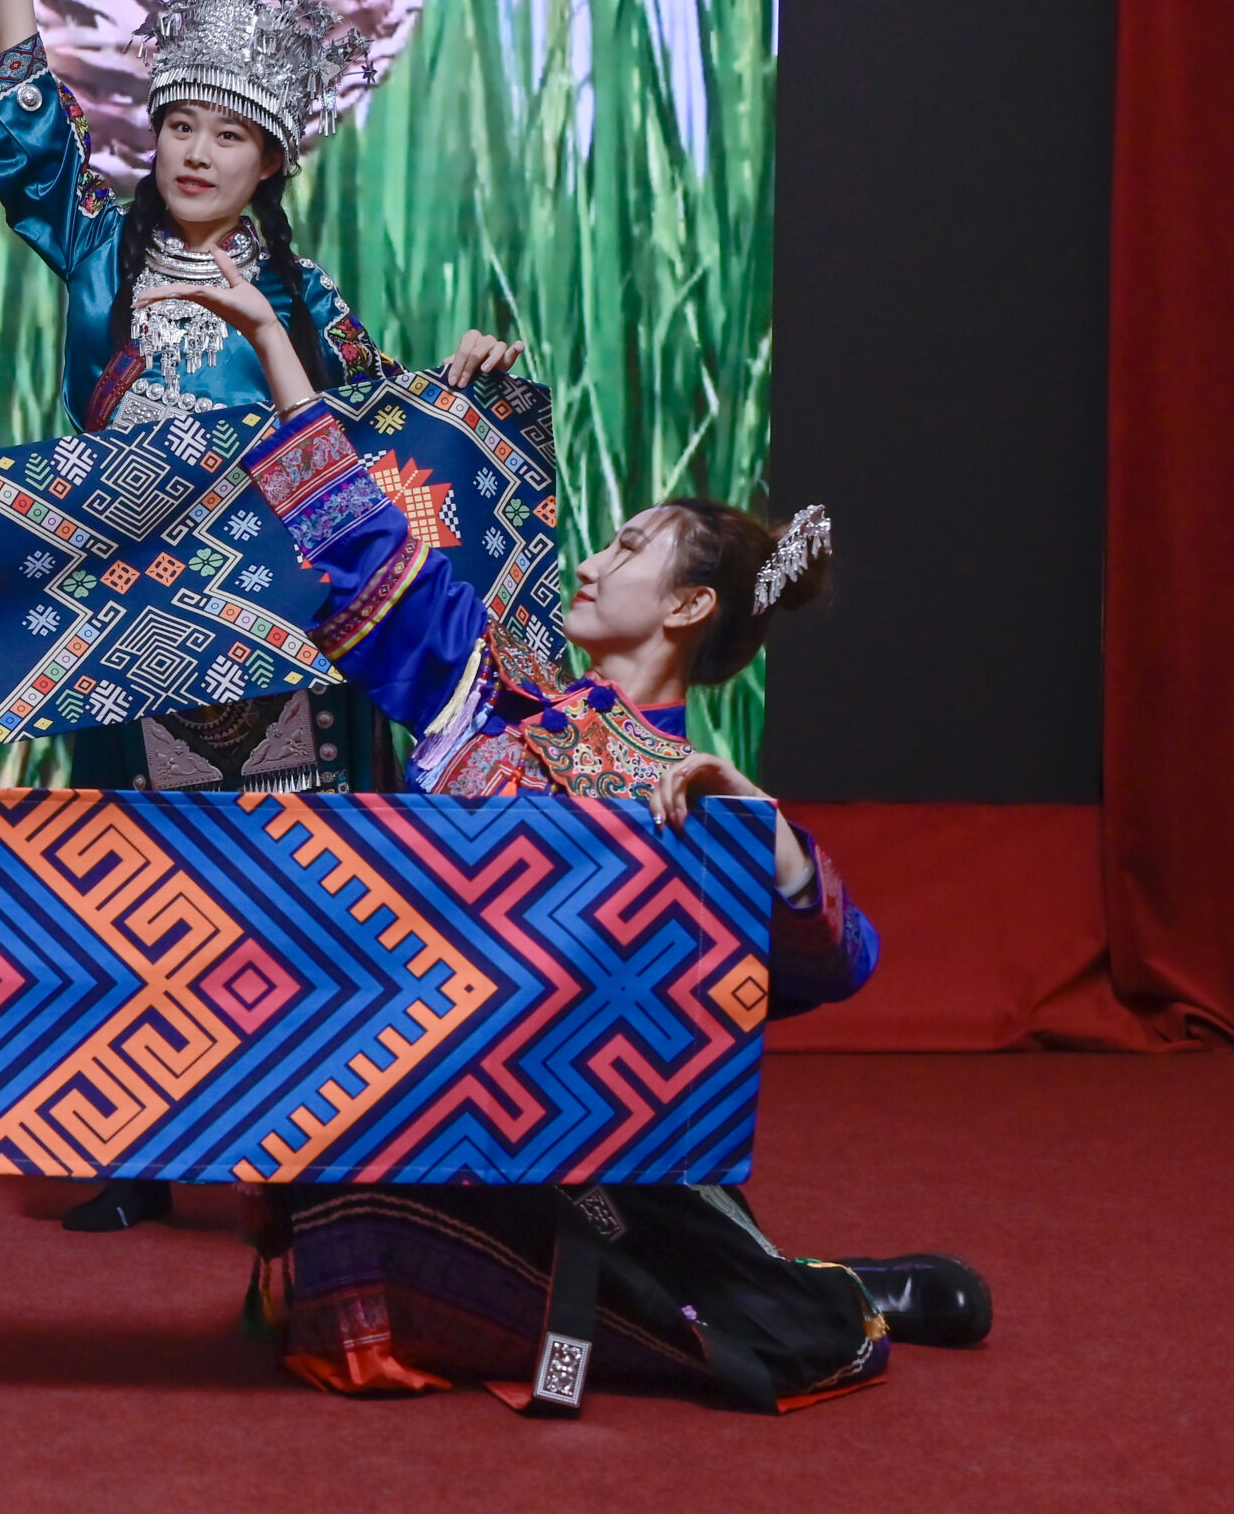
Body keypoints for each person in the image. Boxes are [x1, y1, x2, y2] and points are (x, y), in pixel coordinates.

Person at [142, 254, 991, 1409]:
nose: (591, 559)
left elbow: (834, 966)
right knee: (344, 1231)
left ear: (687, 605)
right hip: (410, 1087)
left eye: (629, 547)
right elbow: (358, 536)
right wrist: (268, 338)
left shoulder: (691, 793)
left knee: (716, 1314)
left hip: (562, 1146)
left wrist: (763, 831)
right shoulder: (489, 692)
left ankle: (794, 1285)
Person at [0, 0, 521, 1232]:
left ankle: (294, 1155)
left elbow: (368, 442)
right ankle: (137, 1150)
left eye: (229, 135)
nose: (195, 152)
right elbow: (22, 113)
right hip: (129, 627)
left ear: (271, 163)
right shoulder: (98, 249)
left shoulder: (303, 303)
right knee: (135, 881)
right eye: (180, 124)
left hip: (269, 631)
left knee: (282, 888)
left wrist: (458, 388)